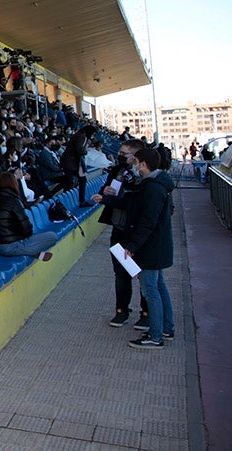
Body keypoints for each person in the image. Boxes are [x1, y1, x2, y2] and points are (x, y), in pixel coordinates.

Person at [114, 148, 176, 349]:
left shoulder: (153, 189)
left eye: (136, 161)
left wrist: (132, 246)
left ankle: (155, 336)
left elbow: (148, 222)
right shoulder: (154, 185)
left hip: (151, 248)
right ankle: (166, 328)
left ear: (143, 164)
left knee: (151, 290)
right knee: (159, 287)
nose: (134, 164)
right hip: (156, 245)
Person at [91, 139, 148, 328]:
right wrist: (105, 192)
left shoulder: (145, 176)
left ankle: (146, 314)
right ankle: (121, 311)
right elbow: (106, 191)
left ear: (137, 156)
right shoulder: (117, 171)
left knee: (142, 273)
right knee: (121, 274)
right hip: (119, 229)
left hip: (138, 232)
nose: (121, 157)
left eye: (125, 155)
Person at [0, 172, 57, 260]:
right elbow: (27, 229)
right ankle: (33, 252)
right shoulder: (14, 201)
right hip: (11, 247)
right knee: (52, 236)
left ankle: (34, 253)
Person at [60, 124, 97, 207]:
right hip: (70, 163)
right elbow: (80, 149)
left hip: (71, 163)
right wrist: (86, 150)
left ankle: (79, 201)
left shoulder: (79, 135)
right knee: (70, 182)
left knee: (77, 181)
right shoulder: (81, 137)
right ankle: (67, 202)